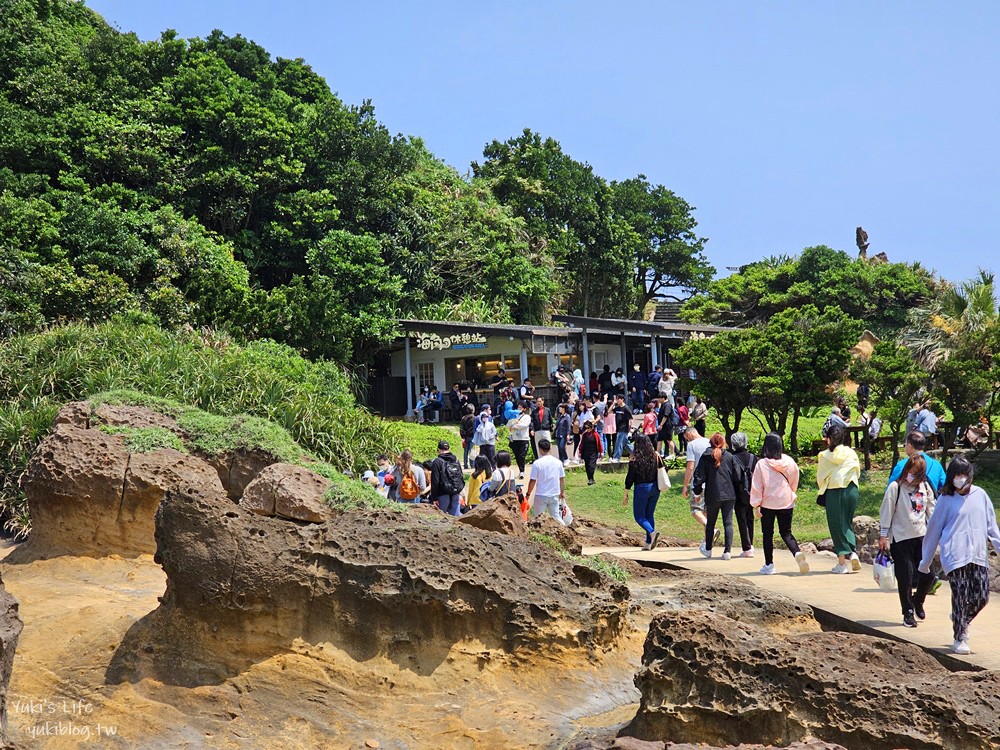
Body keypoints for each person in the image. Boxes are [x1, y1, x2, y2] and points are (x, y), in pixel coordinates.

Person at [918, 456, 1000, 654]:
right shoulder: (945, 500)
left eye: (963, 475)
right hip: (955, 555)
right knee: (960, 595)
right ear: (951, 478)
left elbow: (992, 528)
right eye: (956, 475)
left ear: (970, 476)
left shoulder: (980, 496)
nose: (960, 479)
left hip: (978, 555)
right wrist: (925, 561)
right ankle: (960, 636)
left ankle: (959, 618)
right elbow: (934, 531)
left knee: (981, 597)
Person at [879, 454, 936, 628]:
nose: (911, 477)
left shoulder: (925, 487)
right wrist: (883, 535)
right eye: (910, 473)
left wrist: (937, 533)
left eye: (915, 474)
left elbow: (931, 510)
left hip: (921, 536)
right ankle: (908, 613)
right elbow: (886, 511)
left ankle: (918, 601)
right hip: (900, 538)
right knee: (906, 576)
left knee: (929, 575)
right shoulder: (895, 488)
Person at [751, 433, 808, 575]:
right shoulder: (789, 461)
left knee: (767, 534)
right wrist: (791, 493)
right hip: (786, 501)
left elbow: (757, 486)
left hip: (768, 503)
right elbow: (795, 478)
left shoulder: (762, 464)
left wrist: (756, 505)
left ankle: (769, 565)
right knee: (786, 533)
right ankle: (797, 553)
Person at [817, 423, 862, 574]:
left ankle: (842, 563)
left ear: (829, 439)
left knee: (836, 525)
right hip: (852, 489)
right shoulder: (851, 453)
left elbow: (821, 477)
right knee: (847, 522)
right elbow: (857, 471)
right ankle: (853, 552)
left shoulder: (824, 456)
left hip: (835, 491)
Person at [694, 433, 745, 560]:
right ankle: (727, 552)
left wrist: (697, 492)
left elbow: (699, 476)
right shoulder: (729, 457)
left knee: (710, 523)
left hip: (712, 494)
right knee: (728, 523)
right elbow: (737, 476)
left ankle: (708, 550)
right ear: (724, 443)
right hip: (729, 494)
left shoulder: (705, 457)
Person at [622, 434, 665, 550]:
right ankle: (648, 543)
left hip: (642, 488)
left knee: (639, 516)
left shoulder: (635, 458)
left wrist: (625, 493)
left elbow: (630, 478)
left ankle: (652, 532)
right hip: (655, 488)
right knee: (649, 515)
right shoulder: (655, 455)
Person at [729, 432, 757, 558]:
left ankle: (747, 548)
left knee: (742, 519)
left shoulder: (731, 458)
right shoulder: (752, 457)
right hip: (752, 492)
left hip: (737, 492)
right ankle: (750, 544)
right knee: (750, 518)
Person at [525, 439, 566, 523]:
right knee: (556, 517)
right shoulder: (558, 462)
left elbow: (532, 480)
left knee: (538, 518)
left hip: (541, 494)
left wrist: (528, 494)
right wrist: (562, 492)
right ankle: (564, 529)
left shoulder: (537, 463)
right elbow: (561, 479)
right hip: (554, 494)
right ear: (550, 448)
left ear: (540, 449)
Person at [681, 426, 712, 533]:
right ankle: (708, 540)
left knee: (696, 510)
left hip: (698, 484)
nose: (687, 440)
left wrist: (685, 485)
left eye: (686, 438)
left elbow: (690, 466)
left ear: (689, 434)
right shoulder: (709, 442)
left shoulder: (691, 445)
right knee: (707, 511)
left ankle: (710, 528)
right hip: (711, 483)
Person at [430, 440, 465, 516]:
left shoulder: (437, 461)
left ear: (439, 450)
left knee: (441, 518)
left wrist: (434, 498)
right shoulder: (455, 460)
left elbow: (435, 481)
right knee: (455, 518)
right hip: (455, 493)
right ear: (449, 449)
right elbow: (461, 476)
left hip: (442, 494)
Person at [507, 400, 532, 478]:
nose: (519, 409)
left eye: (521, 407)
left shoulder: (527, 417)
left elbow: (524, 425)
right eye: (518, 407)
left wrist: (514, 425)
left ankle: (522, 471)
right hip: (515, 439)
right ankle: (520, 470)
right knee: (517, 455)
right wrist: (513, 424)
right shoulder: (514, 416)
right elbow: (508, 425)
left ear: (524, 409)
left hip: (524, 439)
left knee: (522, 455)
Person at [576, 419, 603, 485]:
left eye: (588, 428)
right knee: (587, 466)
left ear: (591, 427)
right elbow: (582, 444)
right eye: (585, 428)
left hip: (593, 452)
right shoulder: (584, 435)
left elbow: (599, 443)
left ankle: (591, 479)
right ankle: (591, 479)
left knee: (591, 465)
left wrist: (601, 452)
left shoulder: (595, 434)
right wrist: (579, 452)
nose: (587, 429)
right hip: (586, 452)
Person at [610, 395, 633, 462]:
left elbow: (631, 418)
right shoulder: (617, 408)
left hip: (624, 428)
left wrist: (631, 428)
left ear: (622, 399)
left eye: (618, 399)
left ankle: (616, 457)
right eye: (616, 399)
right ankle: (636, 454)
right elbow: (609, 412)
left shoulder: (626, 408)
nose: (617, 400)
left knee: (619, 442)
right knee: (627, 444)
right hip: (618, 428)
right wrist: (613, 403)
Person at [530, 397, 553, 461]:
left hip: (546, 429)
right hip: (537, 430)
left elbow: (550, 419)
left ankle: (549, 458)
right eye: (537, 401)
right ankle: (540, 459)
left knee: (548, 443)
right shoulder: (534, 411)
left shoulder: (547, 410)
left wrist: (551, 427)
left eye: (540, 401)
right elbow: (532, 421)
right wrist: (532, 429)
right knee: (538, 445)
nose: (538, 403)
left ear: (543, 402)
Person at [459, 404, 477, 469]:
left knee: (465, 451)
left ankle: (465, 464)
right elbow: (474, 428)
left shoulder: (463, 418)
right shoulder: (475, 418)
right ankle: (472, 464)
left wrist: (463, 436)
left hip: (465, 437)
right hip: (472, 436)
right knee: (472, 451)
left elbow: (461, 428)